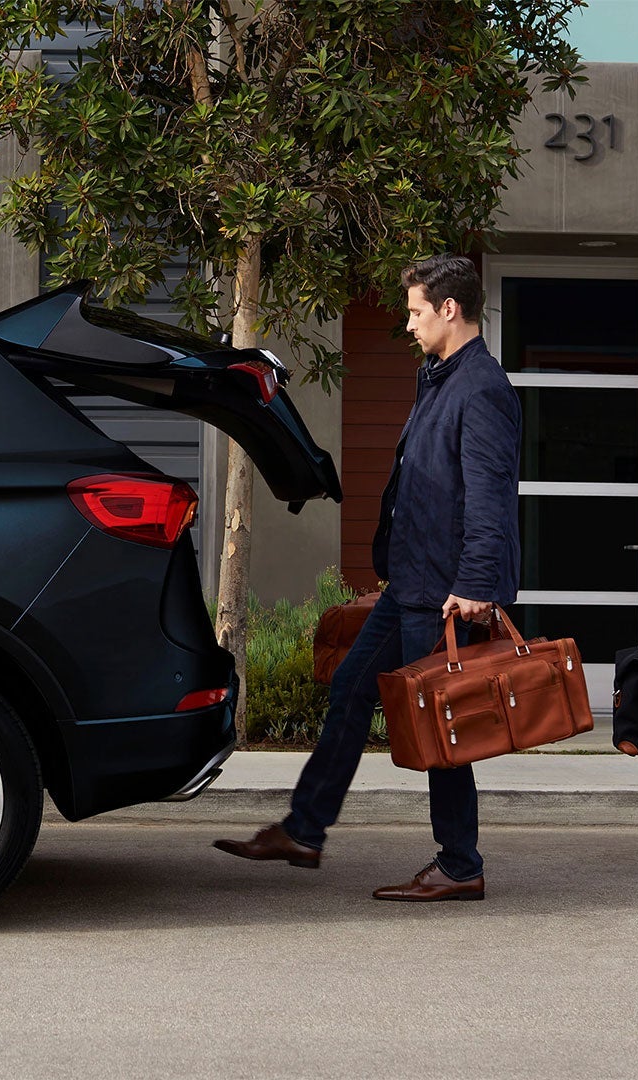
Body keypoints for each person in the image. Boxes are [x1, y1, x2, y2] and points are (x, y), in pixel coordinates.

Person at [213, 253, 521, 901]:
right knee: (352, 689)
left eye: (414, 312)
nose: (408, 325)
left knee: (441, 724)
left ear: (449, 309)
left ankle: (460, 865)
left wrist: (475, 587)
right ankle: (305, 828)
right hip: (412, 583)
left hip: (445, 594)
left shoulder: (482, 386)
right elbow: (424, 489)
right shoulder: (437, 379)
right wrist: (391, 571)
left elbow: (489, 498)